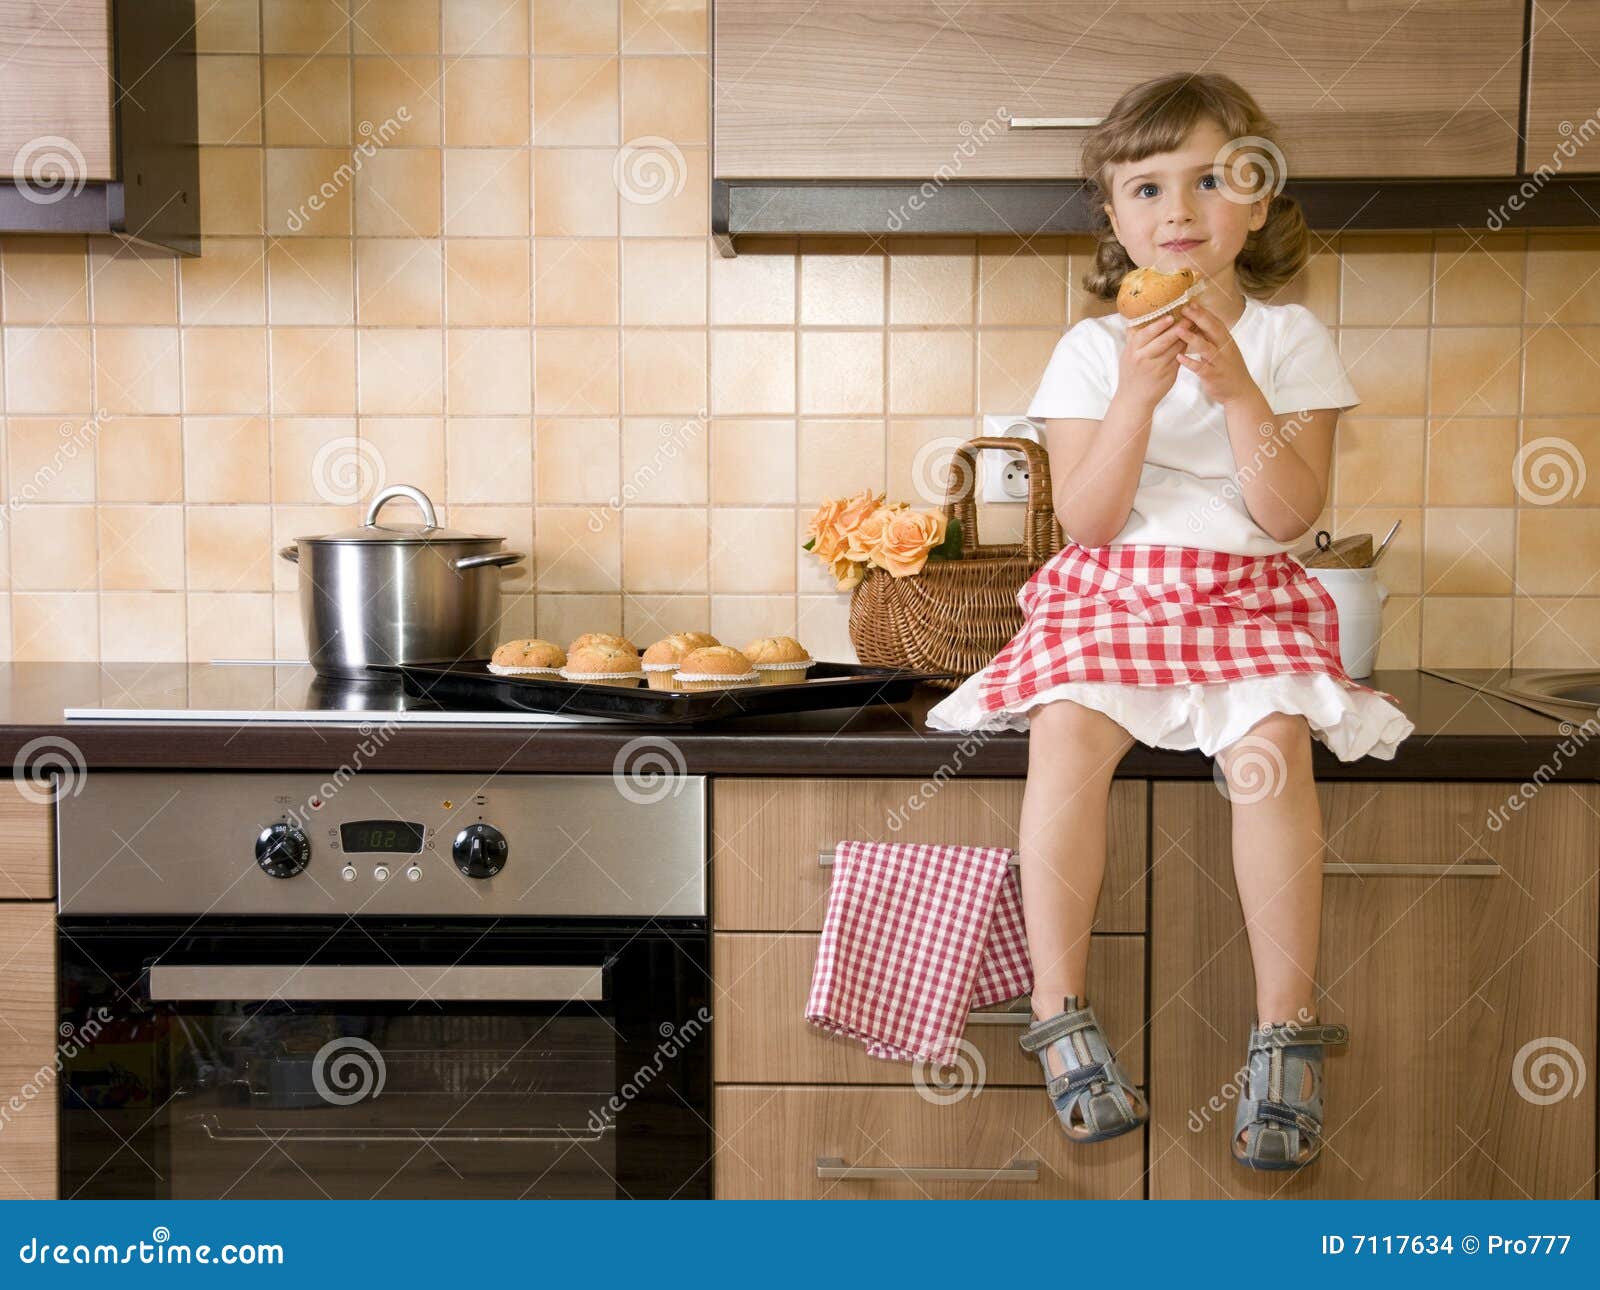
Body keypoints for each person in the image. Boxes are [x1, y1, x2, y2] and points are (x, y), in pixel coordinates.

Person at [926, 72, 1415, 1171]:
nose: (1177, 210)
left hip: (1245, 591)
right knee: (1064, 736)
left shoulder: (1291, 340)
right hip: (1114, 588)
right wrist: (1140, 397)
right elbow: (1090, 521)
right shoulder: (1092, 351)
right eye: (1146, 187)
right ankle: (1059, 1016)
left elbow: (1291, 515)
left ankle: (1283, 1037)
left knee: (1271, 752)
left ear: (1256, 201)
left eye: (1207, 180)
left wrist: (1238, 389)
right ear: (1113, 217)